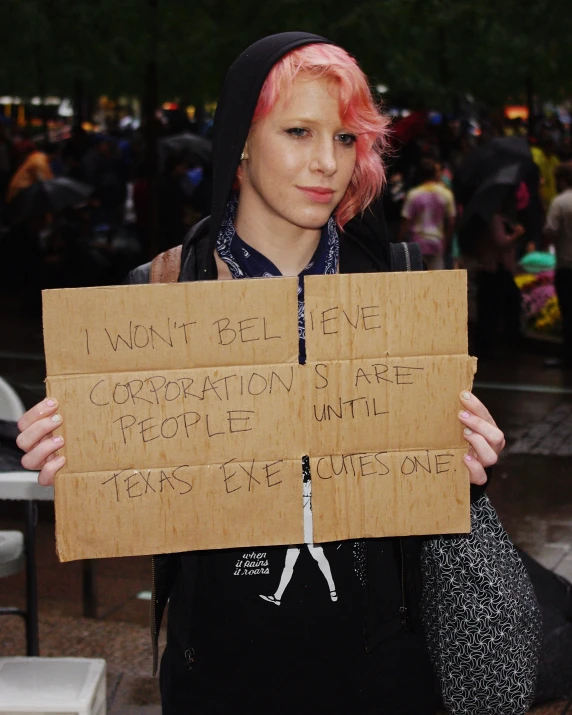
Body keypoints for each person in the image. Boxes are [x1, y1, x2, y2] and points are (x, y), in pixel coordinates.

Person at [17, 34, 513, 714]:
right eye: (299, 131)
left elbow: (428, 490)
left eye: (345, 139)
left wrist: (468, 463)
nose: (325, 162)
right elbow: (135, 486)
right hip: (218, 679)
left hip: (379, 679)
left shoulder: (393, 285)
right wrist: (73, 451)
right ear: (241, 141)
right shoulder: (161, 290)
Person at [399, 157, 455, 269]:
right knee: (437, 281)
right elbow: (451, 222)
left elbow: (406, 221)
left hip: (417, 245)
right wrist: (445, 242)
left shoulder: (413, 194)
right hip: (437, 243)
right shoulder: (446, 194)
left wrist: (399, 241)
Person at [544, 162, 572, 367]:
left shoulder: (560, 202)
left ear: (562, 180)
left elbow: (550, 230)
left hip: (566, 264)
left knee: (568, 312)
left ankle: (568, 356)